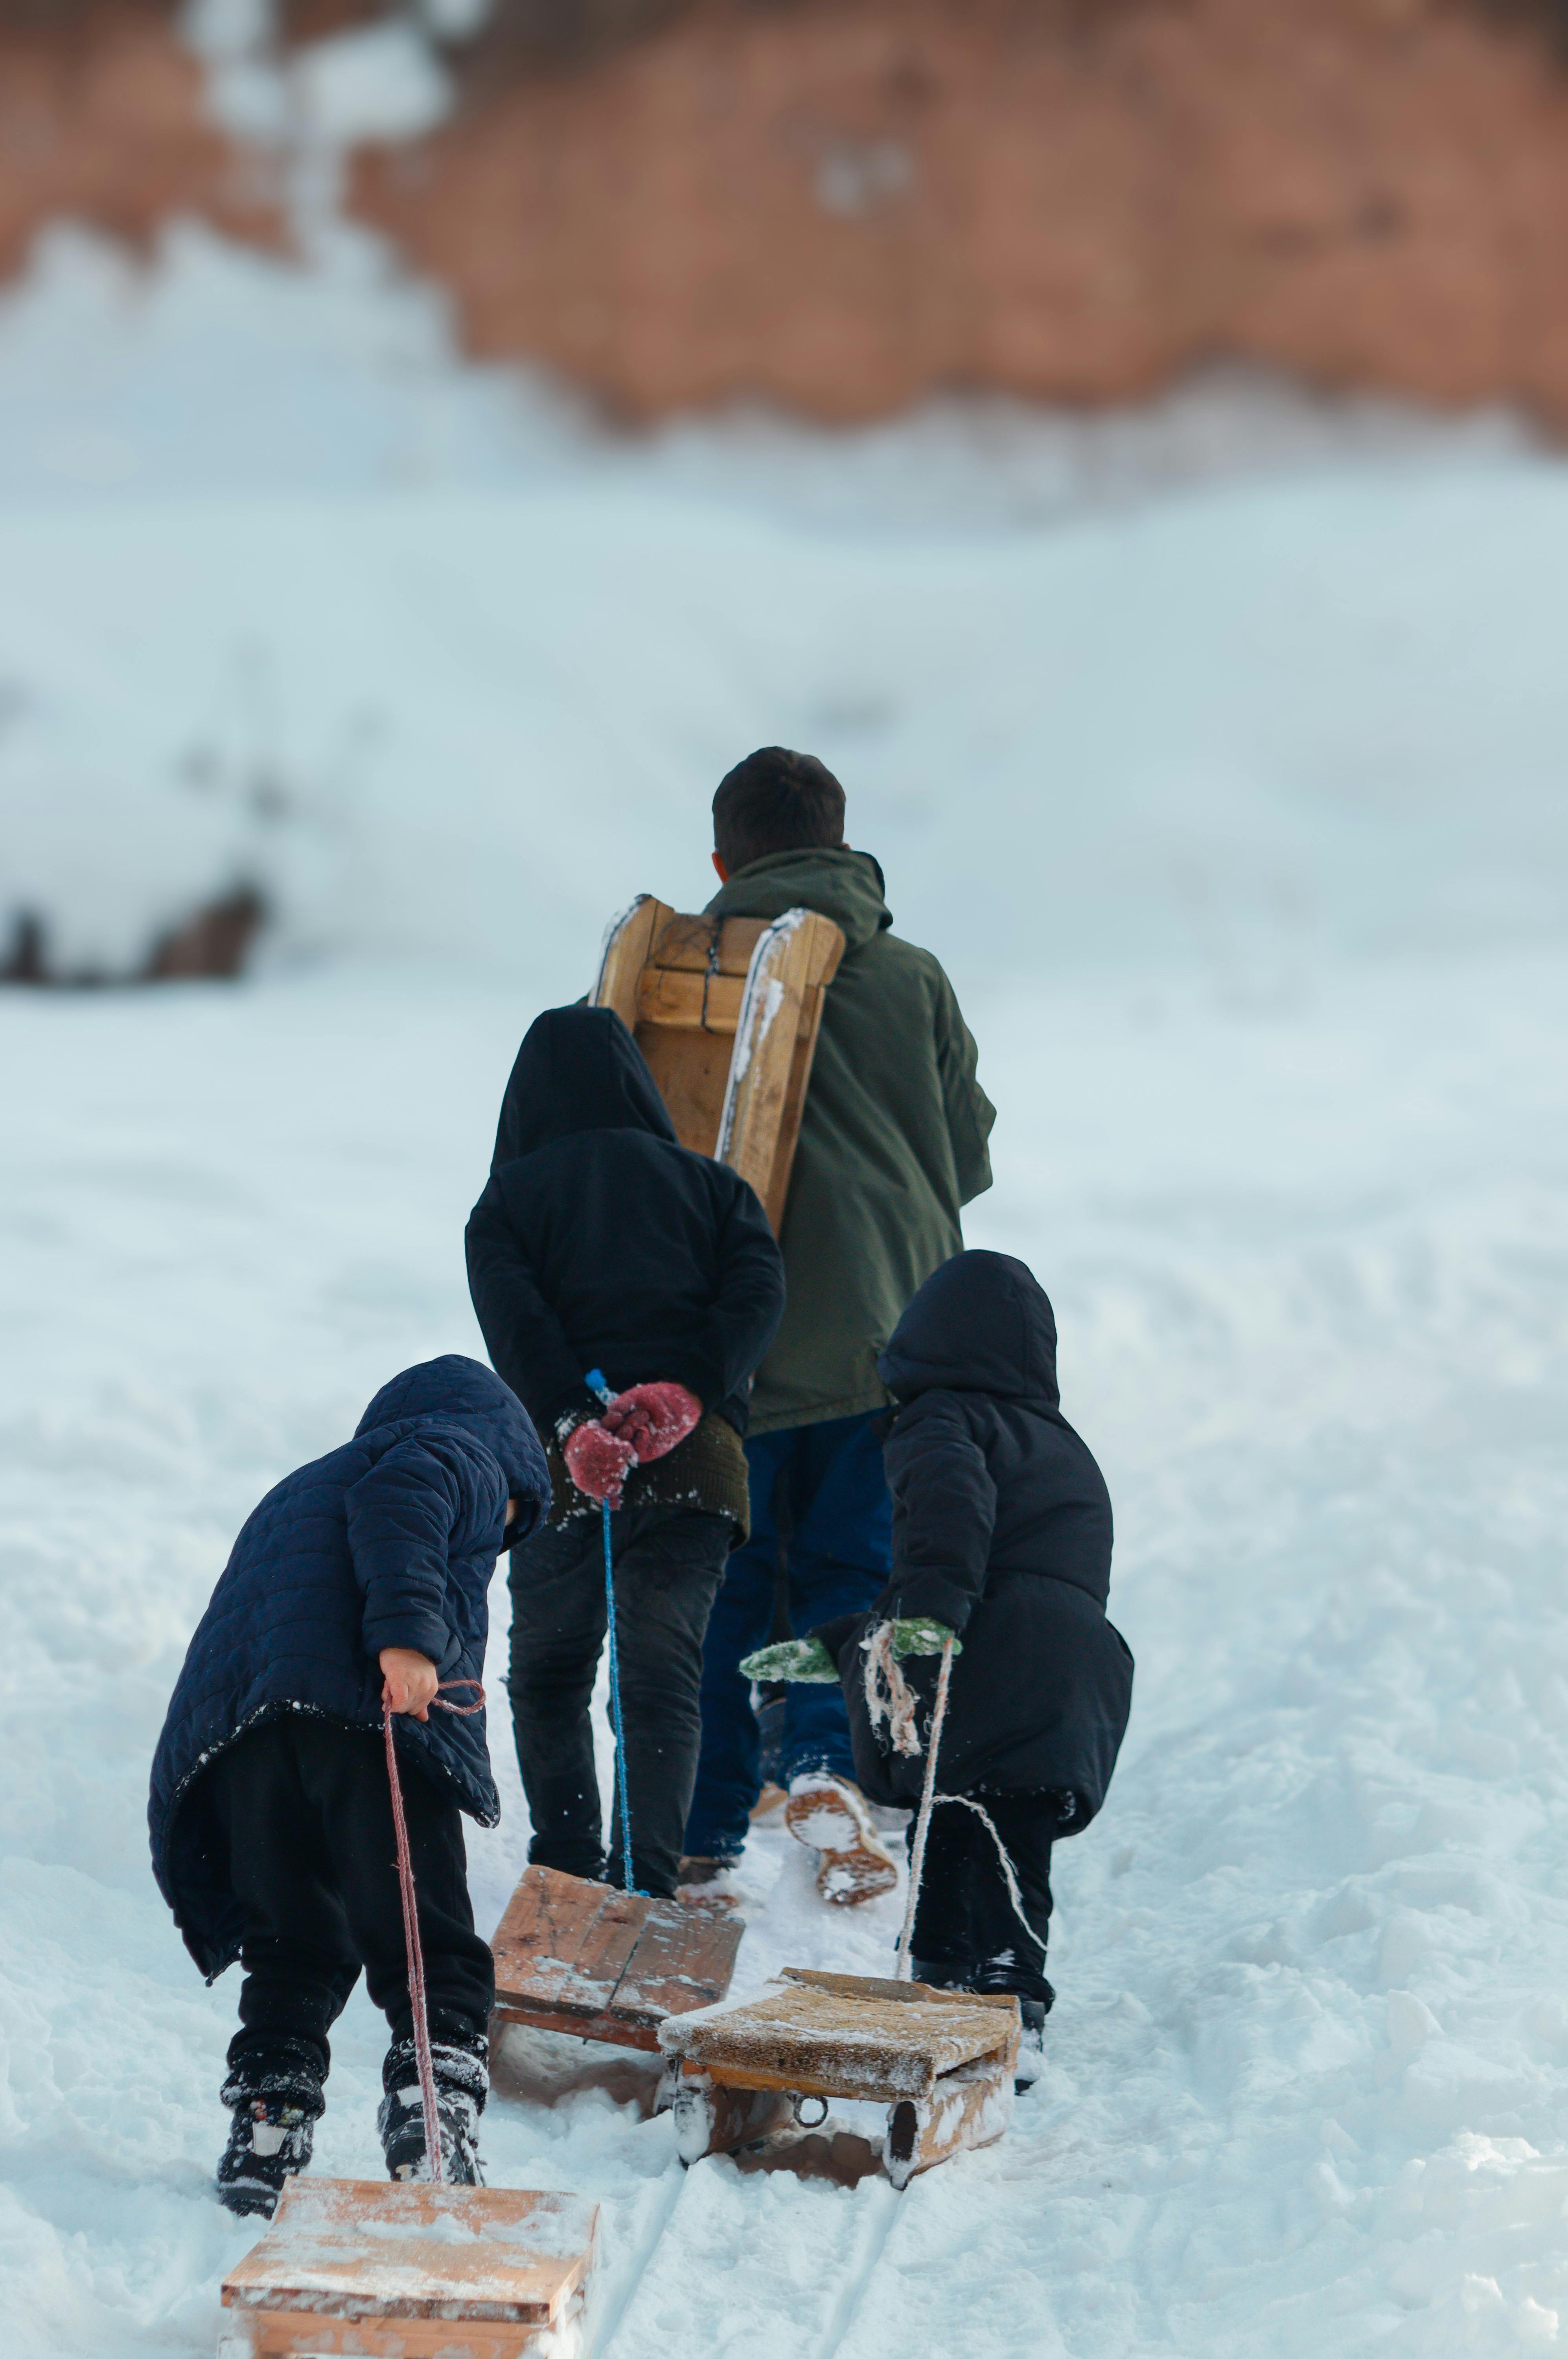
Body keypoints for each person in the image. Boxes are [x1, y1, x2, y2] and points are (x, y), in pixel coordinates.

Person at [679, 748, 996, 1905]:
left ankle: (701, 1834)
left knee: (719, 1588)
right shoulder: (911, 978)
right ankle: (828, 1787)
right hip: (883, 1343)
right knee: (850, 1584)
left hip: (726, 1352)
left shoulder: (682, 980)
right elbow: (966, 1156)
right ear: (843, 840)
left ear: (723, 862)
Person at [147, 1355, 551, 2218]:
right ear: (512, 1459)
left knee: (295, 1941)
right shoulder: (459, 1449)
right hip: (370, 1721)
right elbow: (407, 1500)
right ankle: (433, 2128)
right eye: (515, 1519)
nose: (503, 1530)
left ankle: (268, 2126)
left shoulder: (307, 1482)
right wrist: (409, 1641)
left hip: (252, 1741)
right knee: (424, 1938)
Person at [745, 1250, 1134, 2080]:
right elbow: (1026, 1568)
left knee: (949, 1826)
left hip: (987, 1656)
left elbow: (949, 1518)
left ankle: (942, 1984)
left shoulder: (943, 1418)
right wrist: (843, 1645)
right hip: (1066, 1681)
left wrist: (927, 1615)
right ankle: (1006, 2004)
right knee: (1008, 1840)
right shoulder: (1065, 1446)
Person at [466, 1004, 786, 1902]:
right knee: (660, 1677)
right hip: (699, 1471)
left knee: (550, 1673)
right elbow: (760, 1295)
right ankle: (646, 1892)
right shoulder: (717, 1189)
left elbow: (516, 1326)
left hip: (563, 1481)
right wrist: (686, 1388)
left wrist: (574, 1425)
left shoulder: (507, 1203)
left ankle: (568, 1878)